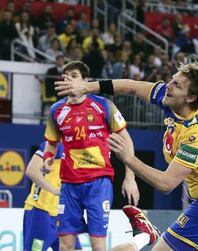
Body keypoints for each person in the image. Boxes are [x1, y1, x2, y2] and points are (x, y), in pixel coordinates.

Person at [55, 61, 198, 250]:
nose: (168, 85)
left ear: (191, 97)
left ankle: (143, 236)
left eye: (177, 85)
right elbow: (131, 86)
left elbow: (166, 184)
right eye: (172, 79)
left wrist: (129, 159)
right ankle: (144, 236)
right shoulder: (172, 99)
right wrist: (87, 87)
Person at [43, 61, 140, 251]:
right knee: (65, 246)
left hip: (98, 184)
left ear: (85, 81)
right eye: (66, 76)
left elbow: (127, 141)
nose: (68, 80)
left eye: (73, 76)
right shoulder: (56, 111)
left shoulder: (103, 105)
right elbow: (51, 142)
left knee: (98, 245)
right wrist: (48, 156)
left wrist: (130, 177)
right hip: (69, 185)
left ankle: (142, 239)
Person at [24, 141, 82, 251]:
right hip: (41, 213)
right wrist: (53, 190)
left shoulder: (83, 150)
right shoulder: (56, 145)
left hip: (62, 216)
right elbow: (31, 170)